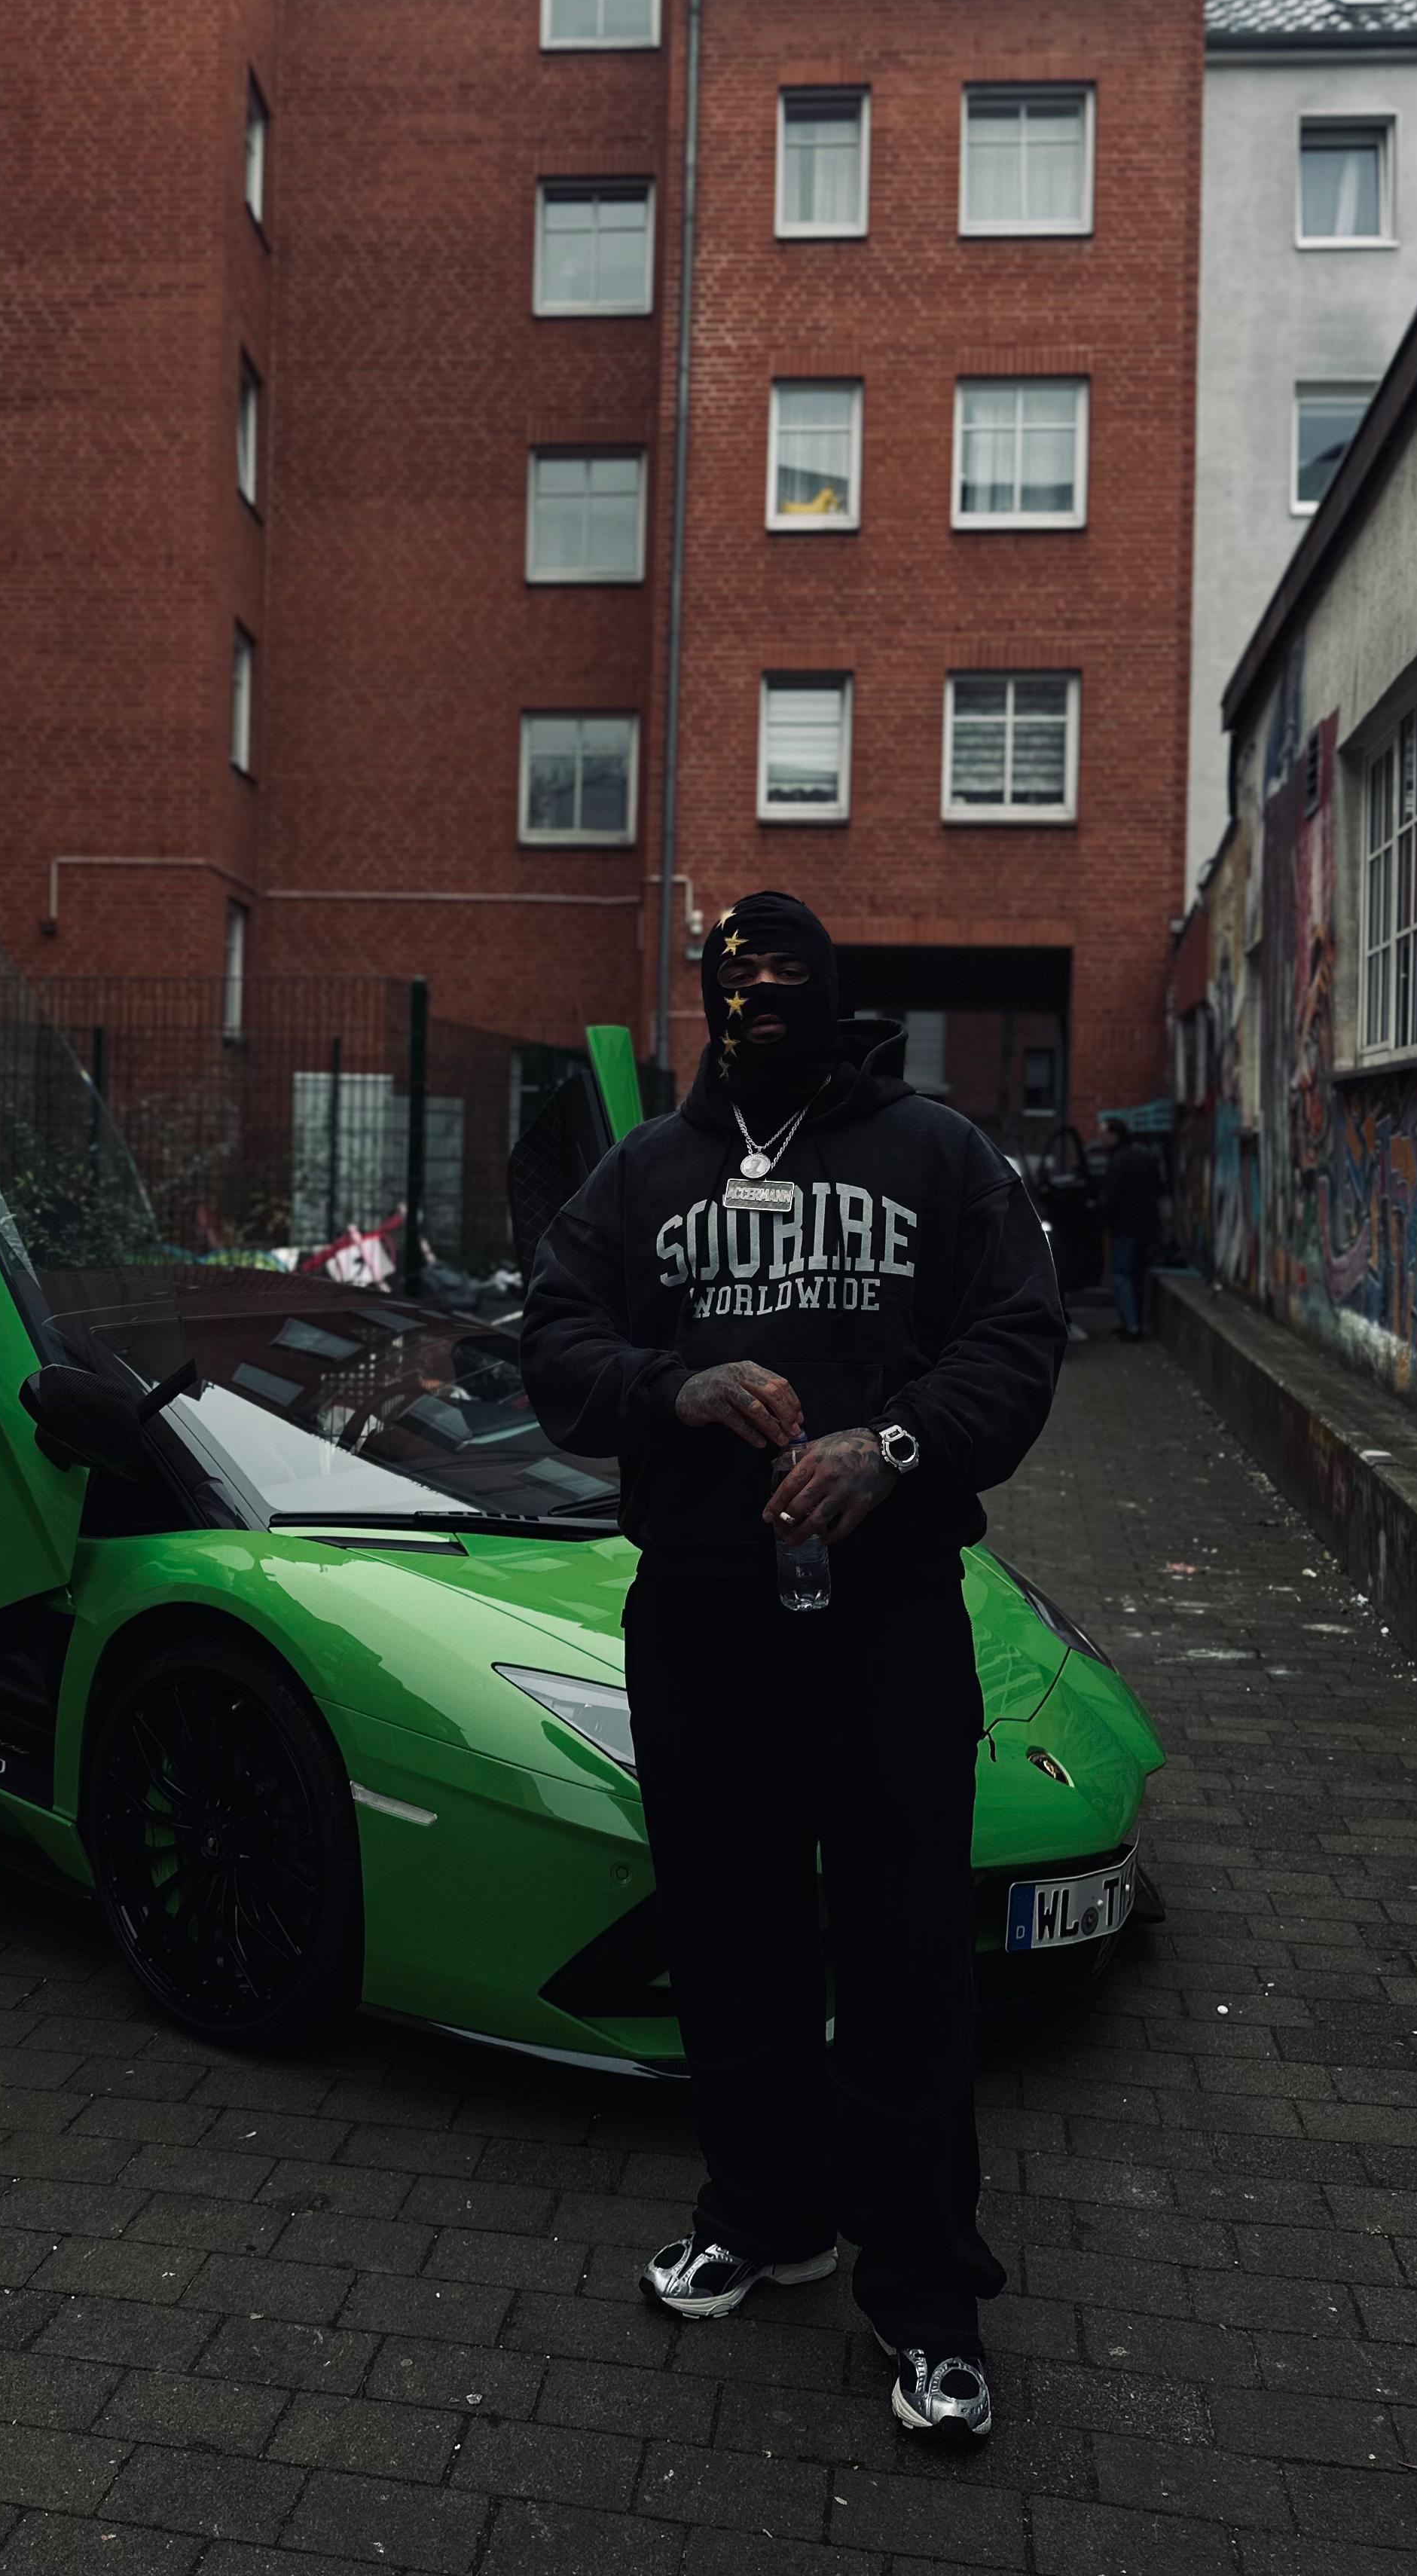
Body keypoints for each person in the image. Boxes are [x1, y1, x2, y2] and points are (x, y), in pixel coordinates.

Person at [521, 892, 1065, 2446]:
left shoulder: (939, 1156)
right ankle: (766, 2216)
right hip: (700, 1610)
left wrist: (893, 1446)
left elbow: (1017, 1345)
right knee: (729, 1929)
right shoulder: (645, 1174)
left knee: (902, 1949)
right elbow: (551, 1343)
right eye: (738, 986)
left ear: (840, 999)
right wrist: (674, 1386)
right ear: (707, 1003)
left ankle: (927, 2298)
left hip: (885, 1613)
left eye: (792, 985)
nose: (765, 1007)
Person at [1098, 1115, 1164, 1343]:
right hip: (1146, 1226)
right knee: (1136, 1274)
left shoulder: (1118, 1162)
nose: (1101, 1140)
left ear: (1115, 1135)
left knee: (1122, 1275)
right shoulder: (1144, 1157)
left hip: (1125, 1227)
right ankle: (1134, 1322)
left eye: (1104, 1135)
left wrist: (1104, 1219)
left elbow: (1112, 1198)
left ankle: (1131, 1324)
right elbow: (1159, 1189)